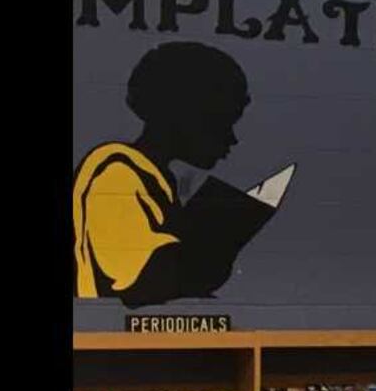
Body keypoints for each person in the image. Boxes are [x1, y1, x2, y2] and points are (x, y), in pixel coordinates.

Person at [73, 41, 273, 303]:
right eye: (221, 123)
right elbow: (146, 280)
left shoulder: (155, 178)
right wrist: (220, 236)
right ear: (183, 117)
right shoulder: (117, 174)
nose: (231, 139)